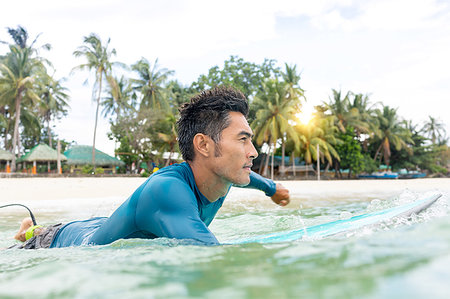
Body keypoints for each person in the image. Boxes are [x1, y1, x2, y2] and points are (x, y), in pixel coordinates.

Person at [13, 86, 290, 249]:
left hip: (99, 225)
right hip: (65, 242)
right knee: (34, 240)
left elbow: (249, 177)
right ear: (204, 146)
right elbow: (211, 256)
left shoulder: (226, 174)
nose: (252, 152)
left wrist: (272, 188)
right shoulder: (167, 190)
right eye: (242, 140)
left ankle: (33, 228)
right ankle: (33, 233)